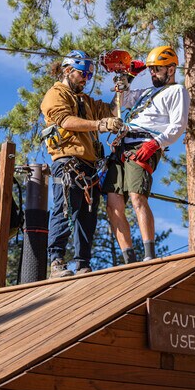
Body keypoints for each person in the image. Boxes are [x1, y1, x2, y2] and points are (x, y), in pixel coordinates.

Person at [103, 46, 189, 263]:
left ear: (170, 69)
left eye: (156, 70)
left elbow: (178, 125)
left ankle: (149, 255)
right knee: (113, 203)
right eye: (150, 70)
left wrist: (155, 144)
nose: (152, 74)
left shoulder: (177, 91)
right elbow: (118, 108)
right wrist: (125, 82)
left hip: (144, 143)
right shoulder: (145, 94)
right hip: (122, 144)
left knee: (137, 196)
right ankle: (128, 259)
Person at [41, 49, 123, 278]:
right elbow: (66, 121)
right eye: (82, 75)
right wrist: (100, 125)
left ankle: (83, 264)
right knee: (65, 208)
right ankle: (56, 261)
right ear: (68, 71)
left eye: (88, 76)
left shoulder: (84, 100)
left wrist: (121, 90)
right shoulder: (55, 94)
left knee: (87, 215)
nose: (86, 80)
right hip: (68, 160)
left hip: (89, 165)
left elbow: (112, 111)